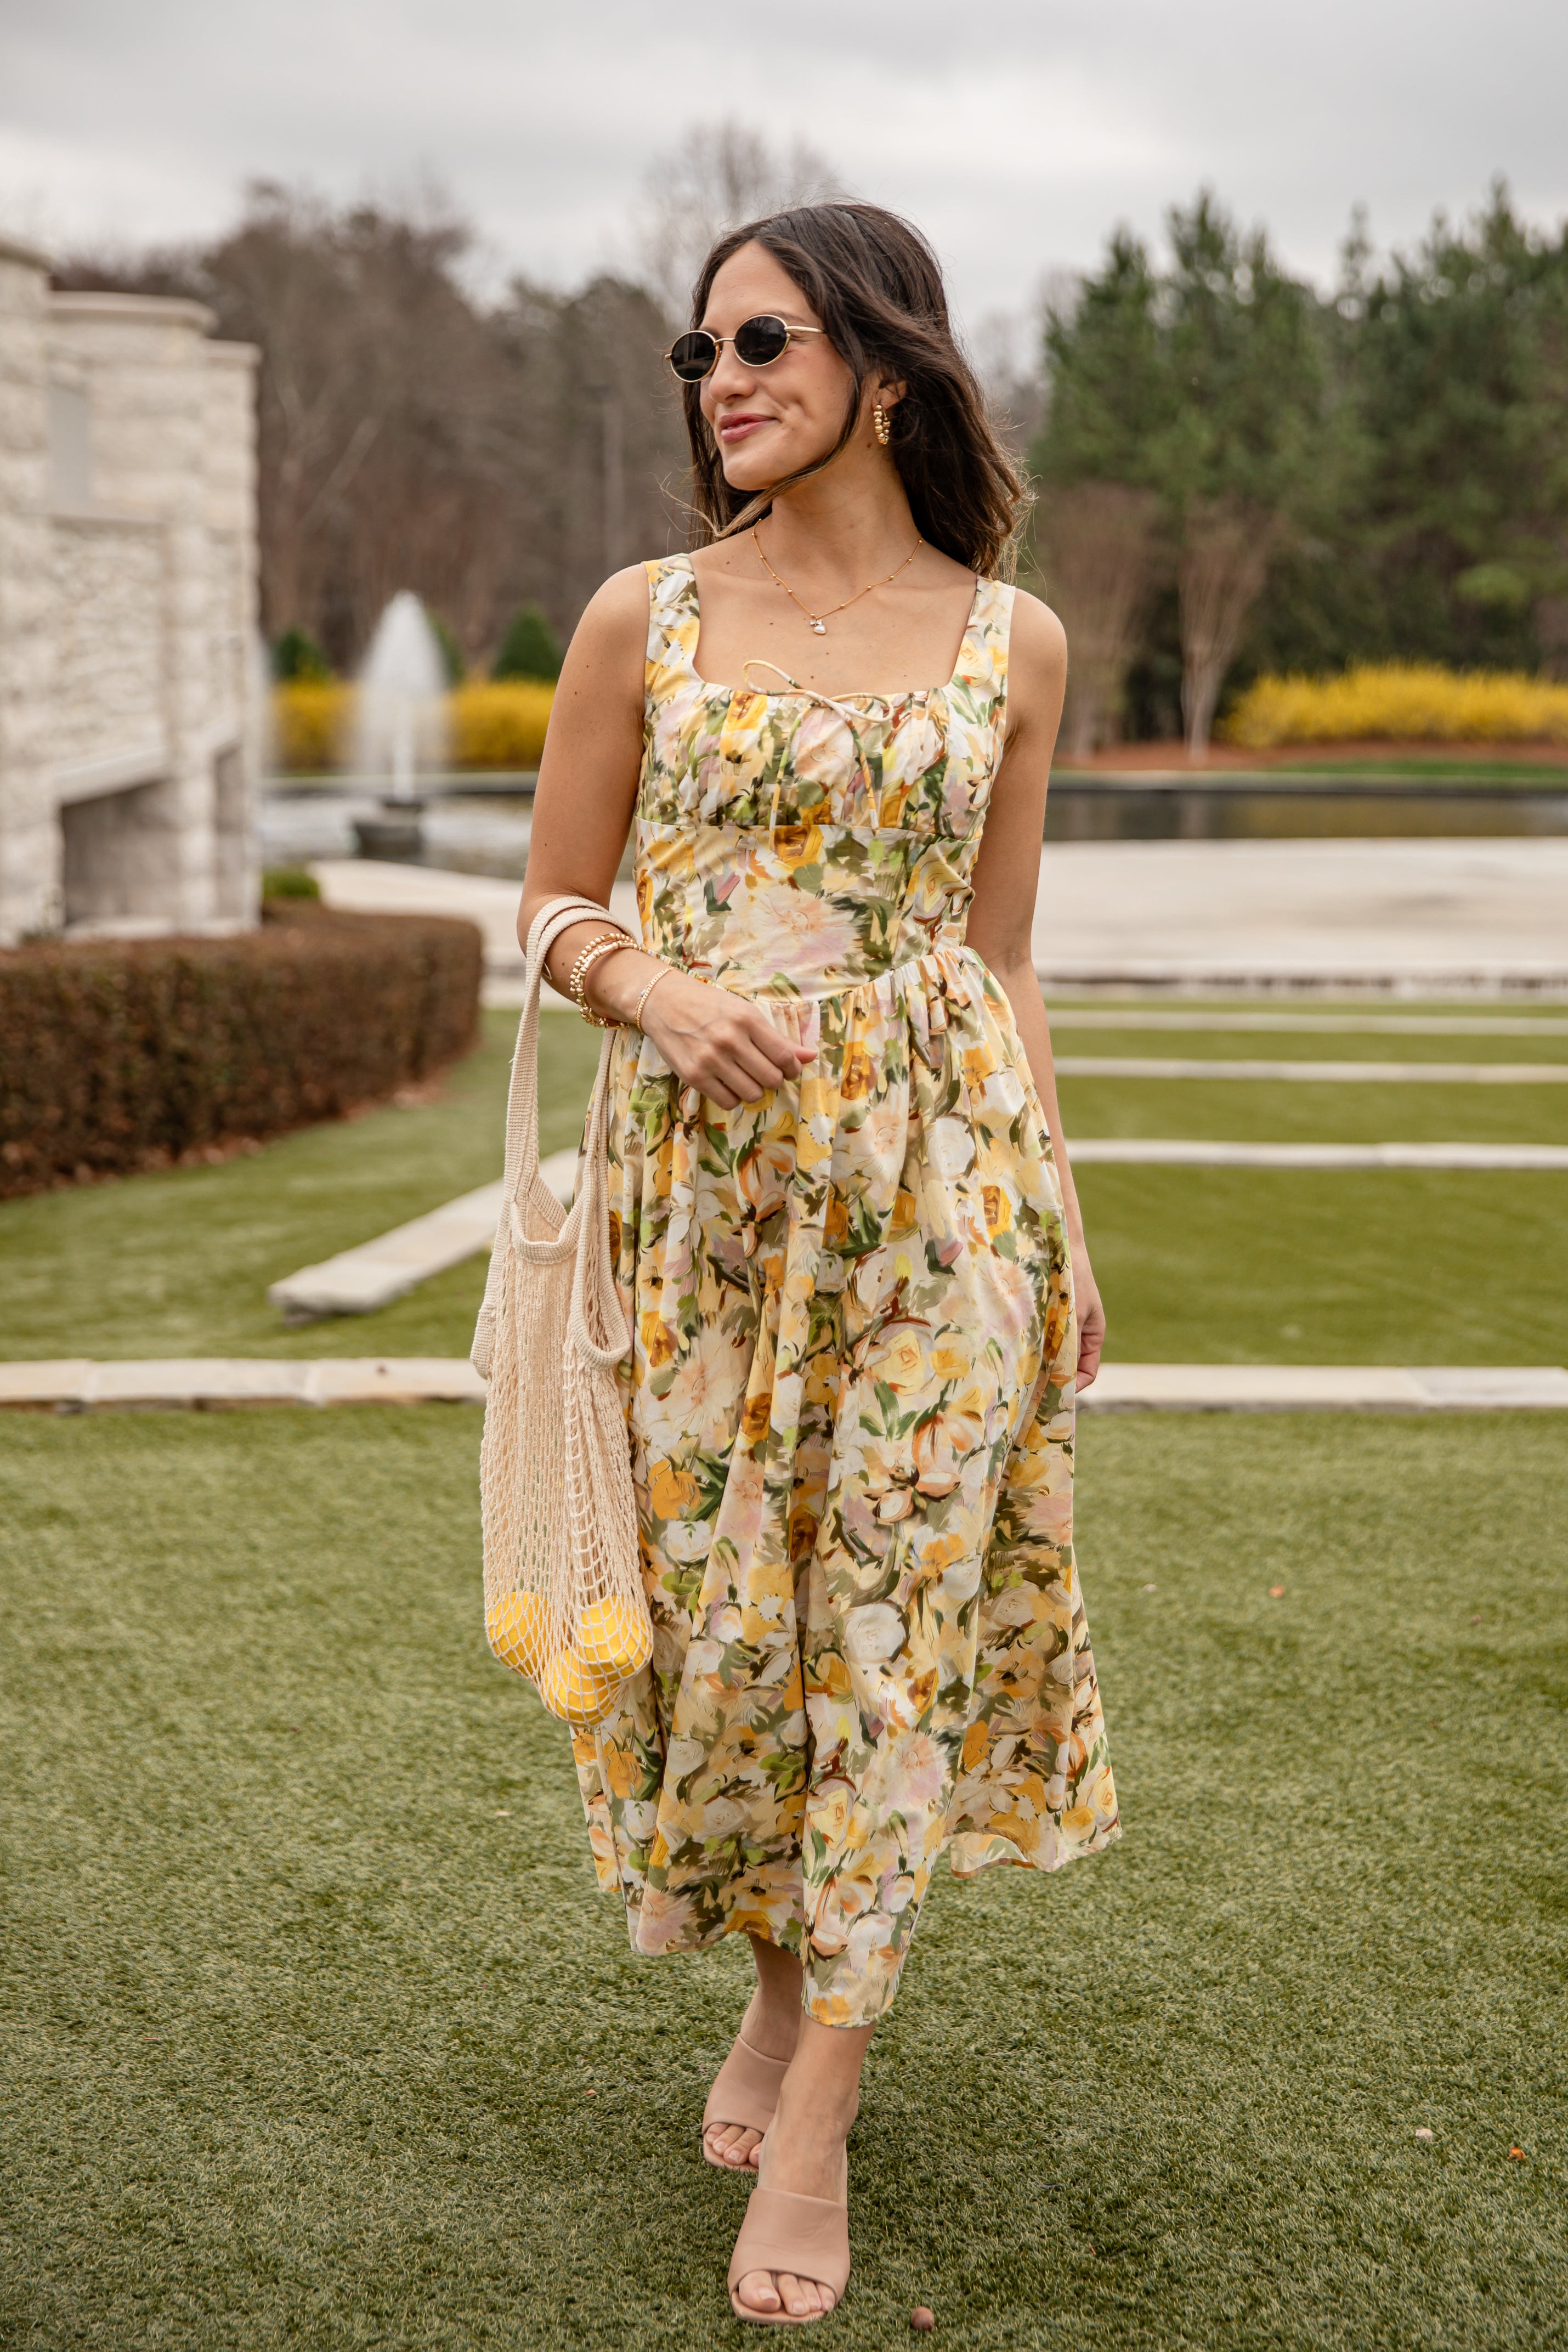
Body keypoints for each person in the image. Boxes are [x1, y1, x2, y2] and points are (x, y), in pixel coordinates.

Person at [517, 200, 1118, 2326]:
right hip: (705, 1200)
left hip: (936, 1199)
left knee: (888, 1626)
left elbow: (1004, 949)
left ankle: (827, 2109)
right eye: (698, 354)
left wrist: (1054, 1216)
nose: (724, 378)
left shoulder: (1008, 639)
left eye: (761, 337)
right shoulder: (642, 616)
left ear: (884, 357)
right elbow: (554, 904)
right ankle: (773, 1996)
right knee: (734, 1632)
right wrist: (657, 993)